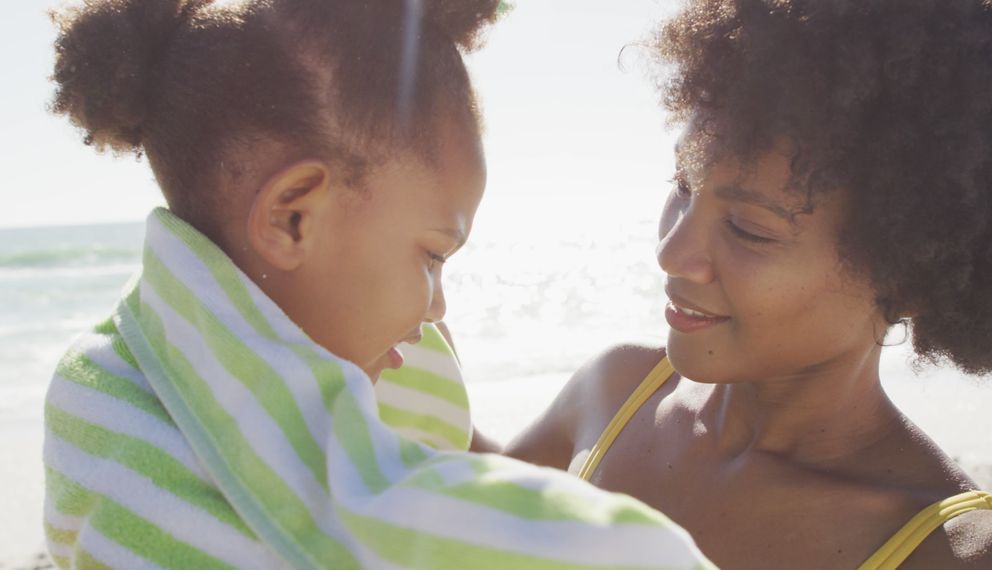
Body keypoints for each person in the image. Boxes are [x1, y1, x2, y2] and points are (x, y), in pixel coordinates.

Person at [42, 0, 717, 567]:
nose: (437, 307)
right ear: (293, 216)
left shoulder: (401, 363)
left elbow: (451, 465)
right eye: (431, 257)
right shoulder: (108, 401)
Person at [506, 0, 992, 567]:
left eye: (749, 229)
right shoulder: (615, 394)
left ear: (910, 274)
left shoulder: (964, 558)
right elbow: (447, 495)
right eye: (682, 185)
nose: (672, 253)